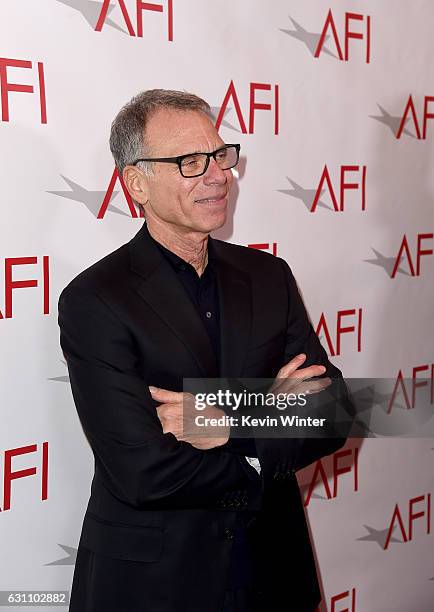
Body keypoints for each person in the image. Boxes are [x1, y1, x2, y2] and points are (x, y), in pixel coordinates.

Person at [58, 89, 349, 612]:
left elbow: (334, 411)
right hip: (158, 584)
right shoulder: (96, 300)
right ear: (136, 183)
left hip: (273, 574)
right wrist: (272, 420)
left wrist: (228, 422)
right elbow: (143, 471)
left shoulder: (268, 276)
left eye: (220, 155)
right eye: (190, 162)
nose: (218, 174)